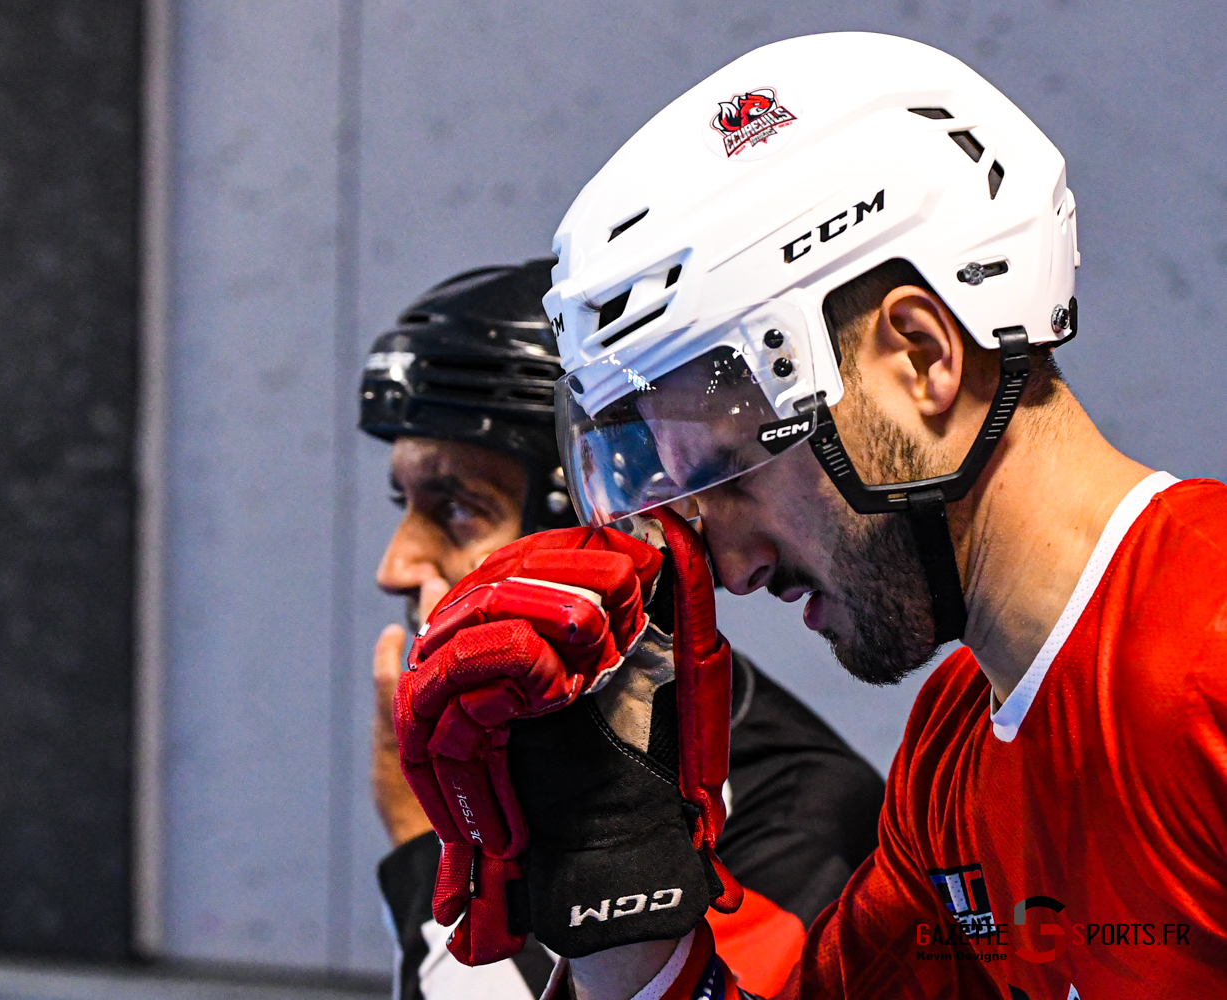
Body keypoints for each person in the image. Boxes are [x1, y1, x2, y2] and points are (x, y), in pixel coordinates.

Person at [397, 31, 1227, 1000]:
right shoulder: (953, 749)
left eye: (734, 469)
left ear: (920, 357)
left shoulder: (1207, 655)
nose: (734, 567)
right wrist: (615, 891)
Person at [359, 259, 885, 1000]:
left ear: (593, 530)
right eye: (402, 504)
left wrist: (426, 839)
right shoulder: (499, 762)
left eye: (456, 508)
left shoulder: (802, 813)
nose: (396, 563)